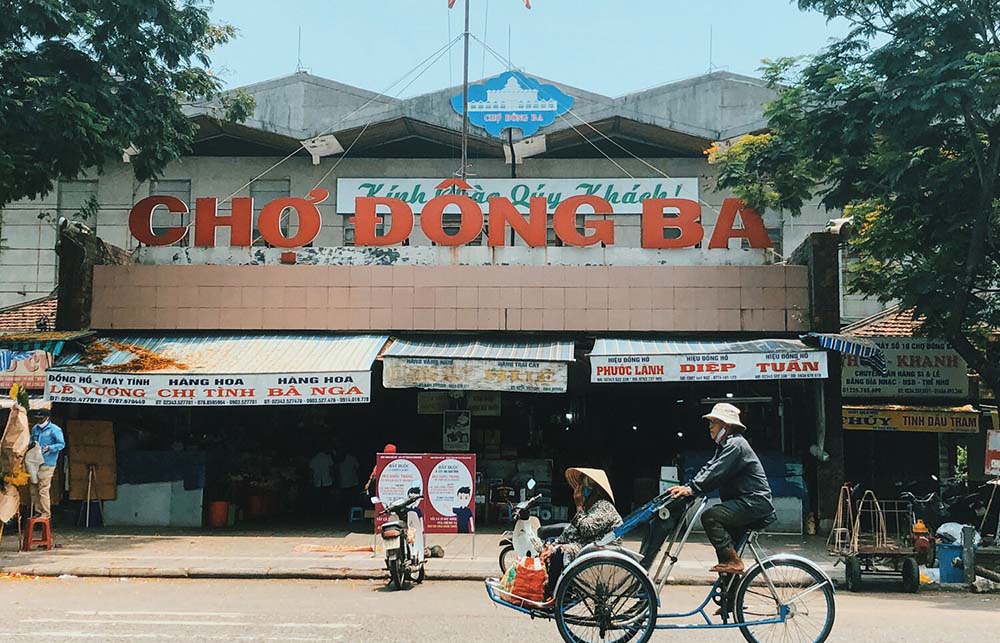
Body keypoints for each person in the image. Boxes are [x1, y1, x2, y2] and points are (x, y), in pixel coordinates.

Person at [668, 403, 775, 575]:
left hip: (753, 503)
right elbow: (709, 468)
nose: (710, 427)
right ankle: (730, 597)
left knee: (711, 517)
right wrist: (688, 487)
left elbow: (716, 472)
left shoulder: (736, 445)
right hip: (745, 503)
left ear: (725, 426)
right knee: (724, 563)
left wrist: (692, 489)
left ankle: (734, 561)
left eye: (713, 422)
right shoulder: (725, 446)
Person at [542, 468, 622, 602]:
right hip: (589, 545)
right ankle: (549, 587)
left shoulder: (603, 506)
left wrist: (578, 506)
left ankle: (555, 594)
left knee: (557, 552)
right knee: (550, 543)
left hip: (598, 550)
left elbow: (587, 529)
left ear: (592, 490)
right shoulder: (590, 507)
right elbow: (574, 529)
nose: (579, 491)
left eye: (582, 487)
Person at [28, 408, 65, 519]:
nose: (39, 420)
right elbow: (31, 441)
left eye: (41, 418)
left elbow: (61, 444)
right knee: (33, 488)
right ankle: (38, 510)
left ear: (47, 418)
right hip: (34, 462)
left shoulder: (55, 429)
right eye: (37, 419)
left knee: (43, 488)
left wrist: (50, 448)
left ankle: (46, 513)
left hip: (47, 463)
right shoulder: (35, 428)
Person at [307, 448, 336, 516]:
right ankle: (327, 513)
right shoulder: (327, 458)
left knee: (318, 499)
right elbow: (331, 469)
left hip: (317, 481)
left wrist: (311, 479)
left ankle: (318, 513)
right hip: (327, 481)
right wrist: (333, 478)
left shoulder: (314, 458)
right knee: (327, 498)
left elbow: (311, 470)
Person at [337, 449, 362, 515]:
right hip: (352, 482)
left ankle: (346, 513)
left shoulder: (340, 459)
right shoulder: (352, 458)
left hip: (346, 483)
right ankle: (350, 513)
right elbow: (358, 469)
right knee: (351, 500)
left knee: (346, 500)